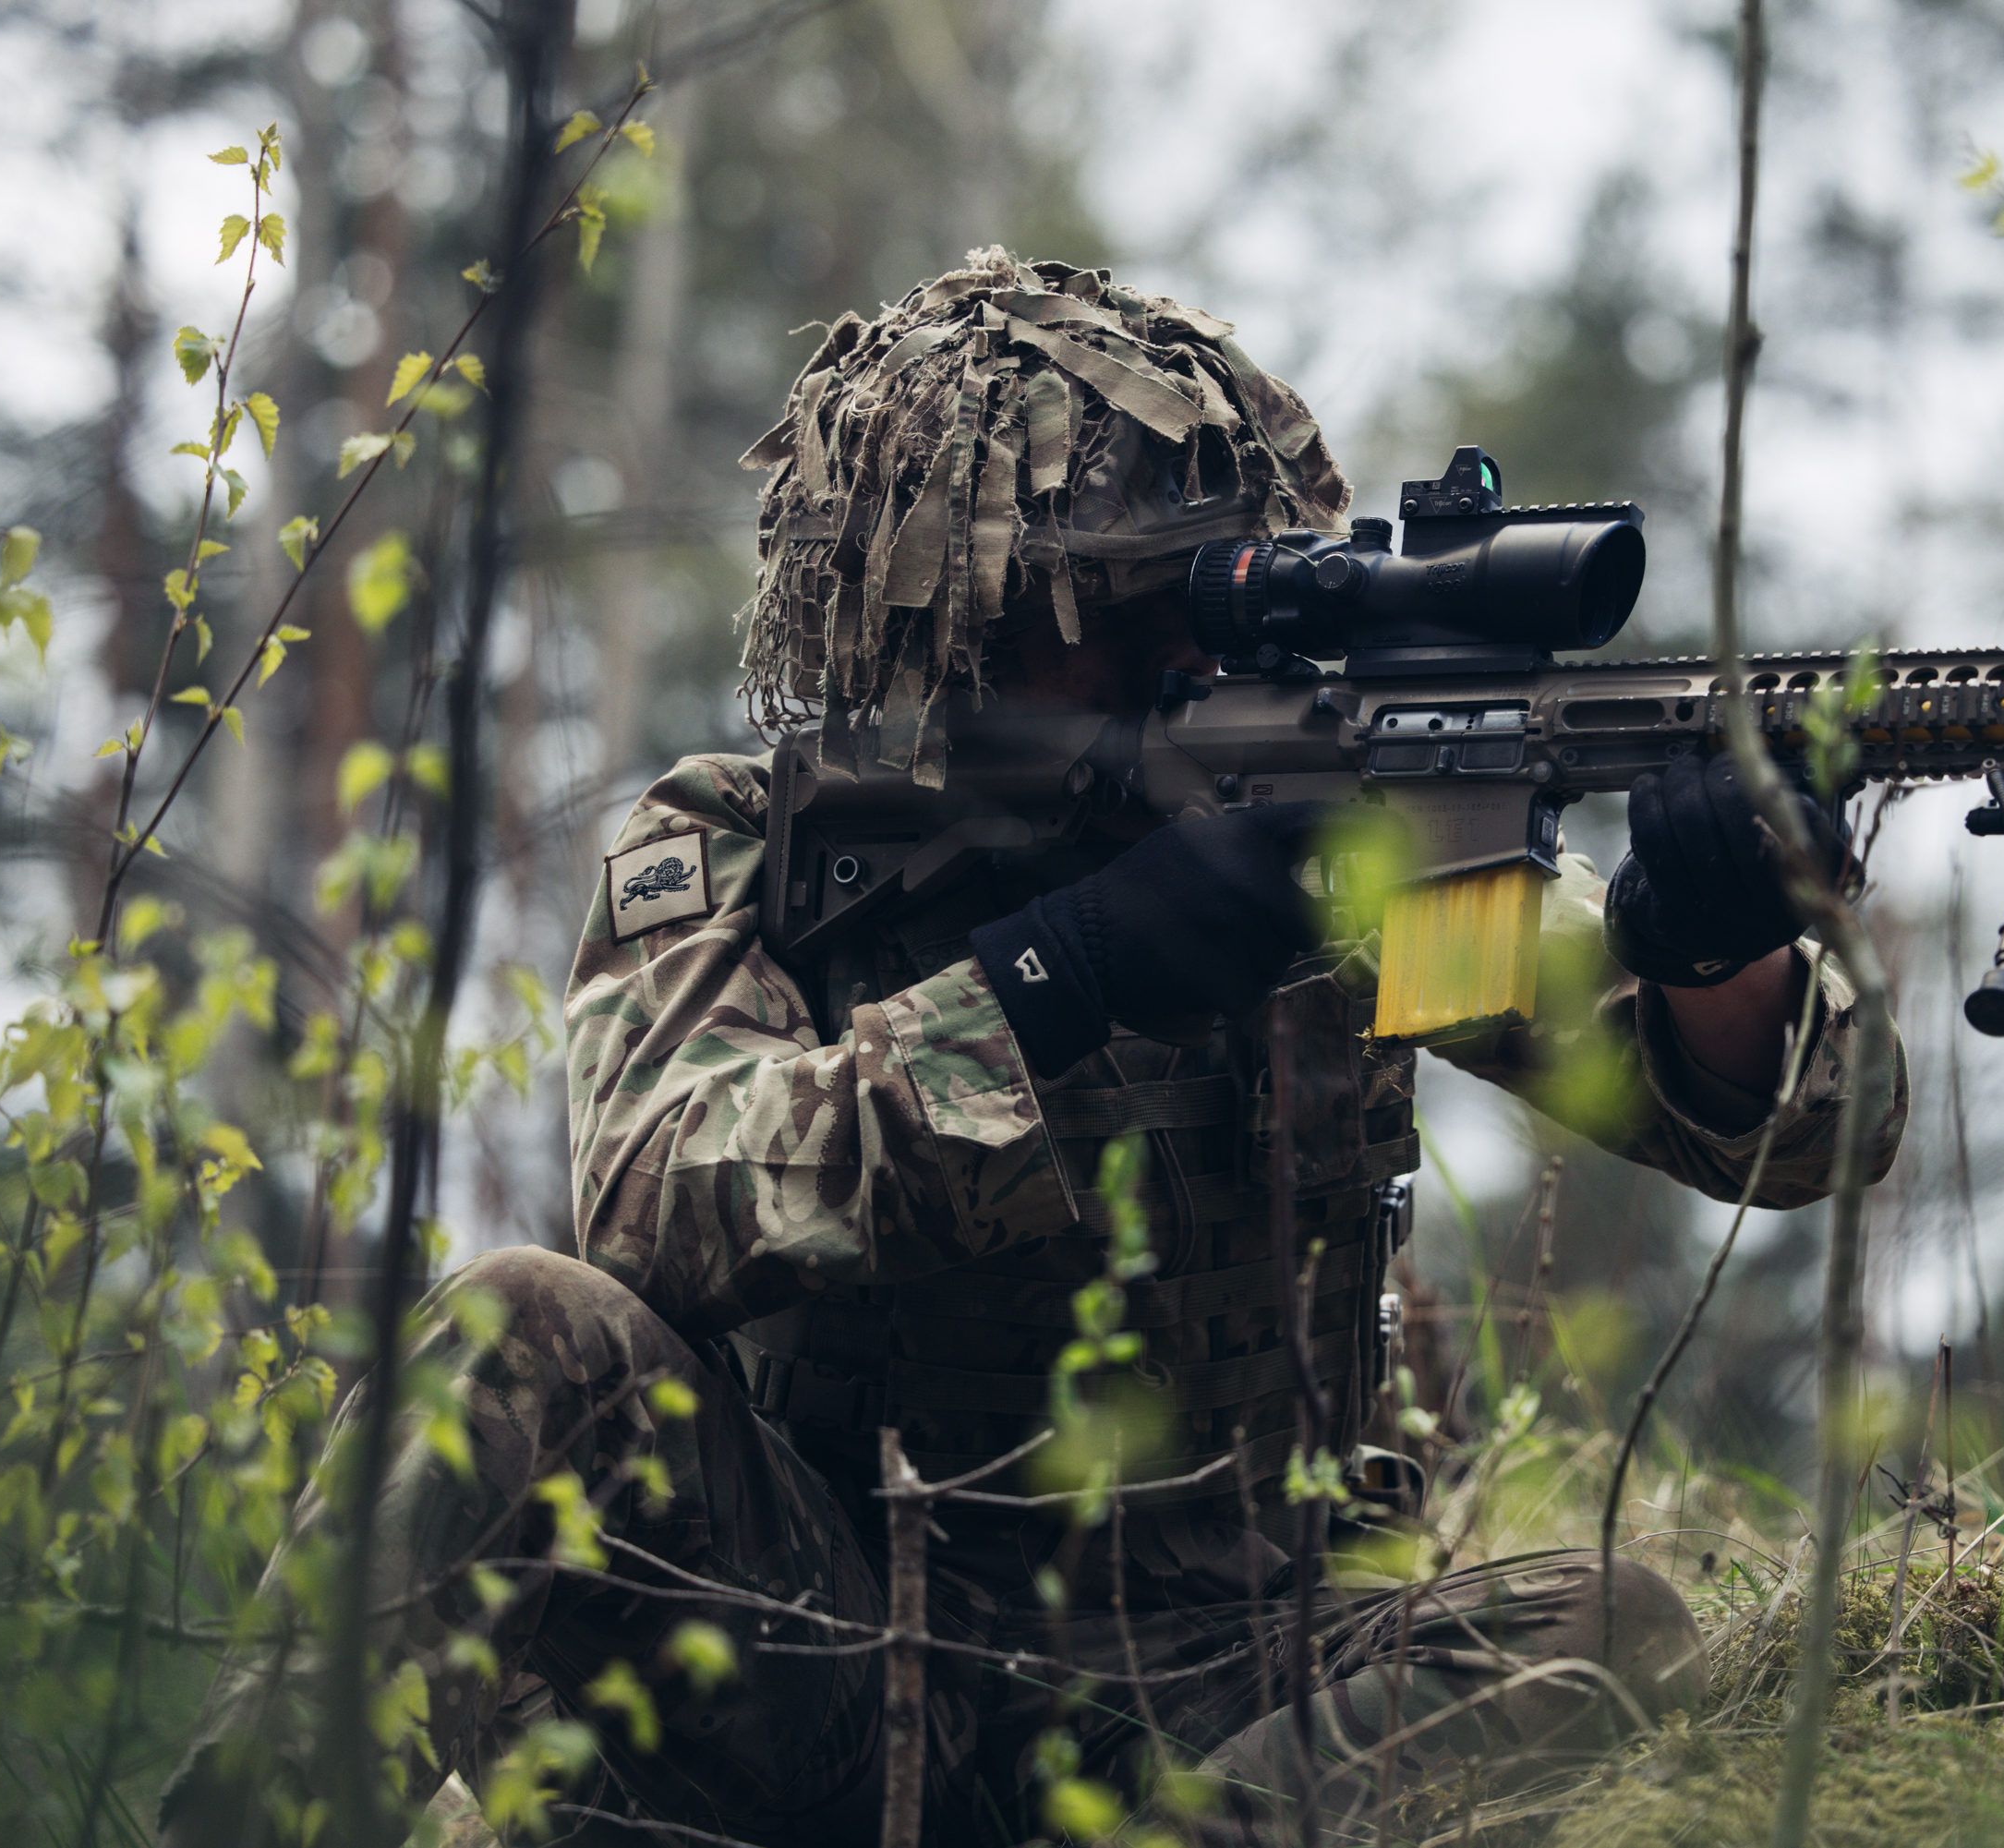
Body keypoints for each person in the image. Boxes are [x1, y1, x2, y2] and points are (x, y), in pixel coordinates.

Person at [163, 249, 1907, 1847]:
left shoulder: (1338, 836)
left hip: (1238, 1682)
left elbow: (1800, 1135)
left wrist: (1712, 957)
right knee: (516, 1333)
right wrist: (1070, 971)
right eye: (1117, 611)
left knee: (1627, 1628)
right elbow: (651, 1203)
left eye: (1214, 603)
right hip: (837, 1648)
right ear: (945, 620)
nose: (1183, 655)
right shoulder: (748, 848)